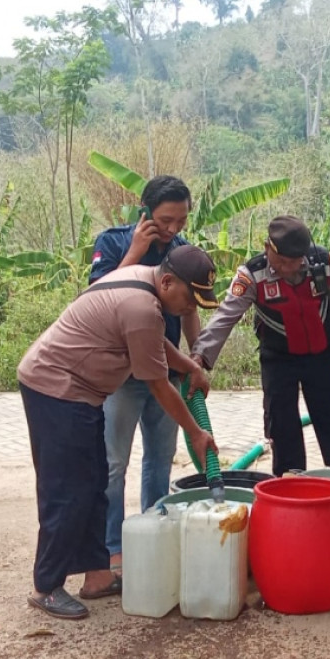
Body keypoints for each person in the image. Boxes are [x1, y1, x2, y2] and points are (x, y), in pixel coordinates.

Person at [19, 244, 219, 621]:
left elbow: (155, 344)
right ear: (168, 280)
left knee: (93, 482)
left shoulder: (146, 287)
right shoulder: (141, 305)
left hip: (81, 393)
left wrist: (190, 368)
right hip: (55, 389)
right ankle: (45, 586)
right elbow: (159, 384)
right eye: (190, 298)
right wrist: (195, 432)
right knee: (66, 489)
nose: (192, 307)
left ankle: (96, 576)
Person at [192, 215, 330, 476]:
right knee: (281, 423)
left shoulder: (321, 262)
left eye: (294, 262)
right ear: (267, 247)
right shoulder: (251, 274)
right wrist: (200, 357)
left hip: (322, 357)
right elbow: (225, 317)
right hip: (278, 360)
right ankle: (288, 481)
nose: (286, 268)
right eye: (281, 261)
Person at [89, 175, 199, 573]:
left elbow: (190, 308)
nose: (172, 229)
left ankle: (155, 532)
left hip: (166, 371)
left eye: (181, 221)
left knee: (160, 458)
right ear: (145, 213)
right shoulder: (113, 242)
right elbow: (98, 298)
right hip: (122, 375)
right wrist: (136, 251)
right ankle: (113, 546)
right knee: (113, 463)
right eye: (166, 220)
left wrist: (197, 355)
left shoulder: (182, 251)